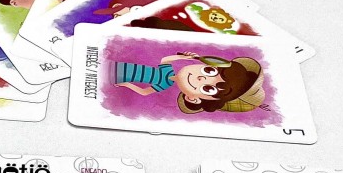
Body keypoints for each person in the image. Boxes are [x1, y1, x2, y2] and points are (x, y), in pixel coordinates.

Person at [113, 52, 265, 113]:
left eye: (207, 88)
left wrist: (126, 84)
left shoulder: (164, 85)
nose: (201, 78)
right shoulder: (168, 72)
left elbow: (144, 92)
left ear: (192, 98)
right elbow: (164, 60)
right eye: (209, 71)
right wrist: (182, 57)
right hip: (119, 66)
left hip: (120, 75)